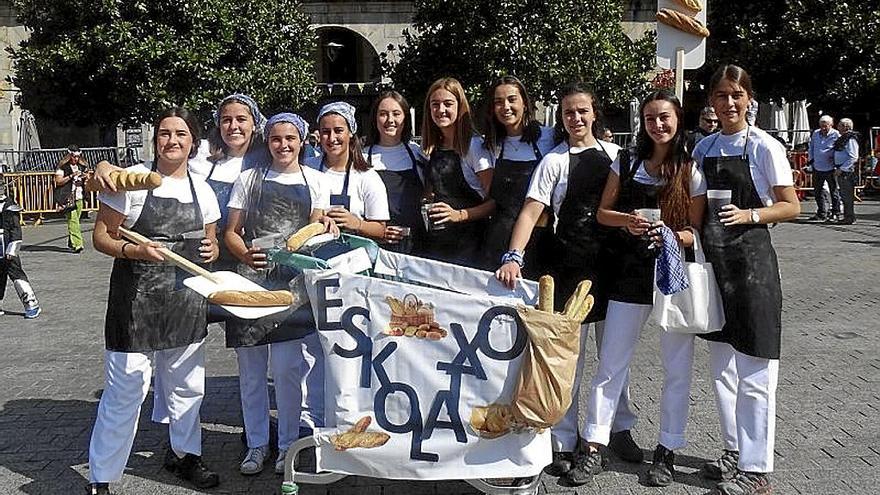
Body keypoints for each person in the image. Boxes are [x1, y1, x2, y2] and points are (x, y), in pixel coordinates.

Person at [495, 83, 641, 483]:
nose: (576, 118)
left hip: (612, 268)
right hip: (568, 268)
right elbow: (531, 212)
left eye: (582, 111)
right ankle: (562, 438)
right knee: (566, 360)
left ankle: (618, 428)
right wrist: (513, 256)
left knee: (614, 359)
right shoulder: (554, 161)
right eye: (568, 113)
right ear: (561, 119)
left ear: (594, 113)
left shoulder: (617, 156)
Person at [571, 91, 706, 488]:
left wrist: (672, 235)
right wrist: (627, 221)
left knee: (676, 368)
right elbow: (603, 213)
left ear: (677, 119)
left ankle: (667, 450)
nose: (657, 125)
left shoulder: (690, 168)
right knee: (611, 363)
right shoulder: (627, 161)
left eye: (664, 117)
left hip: (672, 275)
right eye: (650, 119)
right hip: (628, 273)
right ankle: (594, 445)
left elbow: (695, 230)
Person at [87, 107, 221, 495]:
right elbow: (102, 237)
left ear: (193, 142)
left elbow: (210, 240)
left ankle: (185, 455)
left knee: (187, 387)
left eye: (181, 134)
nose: (172, 140)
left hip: (186, 301)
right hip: (136, 303)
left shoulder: (203, 190)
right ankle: (102, 476)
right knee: (125, 391)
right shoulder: (130, 181)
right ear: (155, 139)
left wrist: (212, 250)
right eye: (164, 133)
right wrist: (135, 252)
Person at [693, 64, 800, 495]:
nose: (729, 103)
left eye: (737, 95)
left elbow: (791, 205)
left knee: (756, 370)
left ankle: (756, 471)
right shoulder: (703, 147)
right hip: (715, 270)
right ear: (712, 101)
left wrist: (750, 214)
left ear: (749, 99)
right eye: (722, 95)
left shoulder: (765, 146)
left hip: (753, 269)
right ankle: (734, 450)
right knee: (722, 370)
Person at [225, 112, 336, 476]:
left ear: (302, 141)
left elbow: (315, 232)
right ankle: (257, 444)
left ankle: (287, 445)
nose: (283, 145)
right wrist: (245, 254)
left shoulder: (316, 181)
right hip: (250, 282)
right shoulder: (248, 179)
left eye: (290, 139)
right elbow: (231, 232)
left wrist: (326, 227)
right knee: (251, 373)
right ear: (267, 141)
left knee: (289, 371)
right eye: (276, 139)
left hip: (293, 289)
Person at [480, 76, 556, 276]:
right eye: (498, 102)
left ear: (525, 103)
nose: (505, 107)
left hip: (539, 241)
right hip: (497, 241)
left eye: (512, 99)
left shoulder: (549, 138)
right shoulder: (490, 145)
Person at [419, 77, 495, 267]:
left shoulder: (474, 147)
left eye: (448, 104)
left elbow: (495, 202)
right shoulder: (433, 148)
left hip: (472, 245)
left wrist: (459, 214)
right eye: (435, 104)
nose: (441, 110)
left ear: (460, 107)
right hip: (440, 244)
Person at [306, 101, 390, 242]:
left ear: (350, 133)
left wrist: (357, 223)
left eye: (338, 131)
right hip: (311, 252)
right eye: (326, 132)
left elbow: (381, 230)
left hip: (353, 253)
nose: (332, 138)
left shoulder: (367, 176)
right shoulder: (307, 168)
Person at [364, 90, 428, 254]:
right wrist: (378, 232)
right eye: (383, 114)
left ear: (405, 118)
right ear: (375, 119)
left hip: (416, 245)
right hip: (377, 248)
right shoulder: (362, 157)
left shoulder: (417, 153)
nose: (390, 120)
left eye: (396, 114)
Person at [0, 172, 40, 318]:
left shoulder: (10, 206)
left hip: (7, 244)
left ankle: (31, 304)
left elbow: (16, 230)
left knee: (16, 274)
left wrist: (12, 249)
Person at [54, 145, 90, 253]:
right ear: (69, 156)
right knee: (73, 220)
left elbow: (88, 179)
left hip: (79, 195)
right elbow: (58, 181)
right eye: (74, 156)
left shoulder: (82, 166)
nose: (76, 159)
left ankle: (71, 241)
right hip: (68, 196)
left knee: (76, 220)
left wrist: (85, 178)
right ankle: (78, 244)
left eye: (78, 157)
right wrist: (71, 176)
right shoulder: (62, 167)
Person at [807, 115, 840, 221]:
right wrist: (810, 161)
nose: (823, 128)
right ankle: (821, 212)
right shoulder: (816, 133)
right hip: (817, 166)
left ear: (831, 125)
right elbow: (811, 147)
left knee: (834, 191)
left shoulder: (836, 134)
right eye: (822, 126)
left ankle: (835, 212)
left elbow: (839, 149)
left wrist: (837, 163)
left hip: (831, 167)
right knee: (817, 191)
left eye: (826, 126)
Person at [833, 118, 858, 225]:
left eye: (840, 125)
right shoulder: (843, 138)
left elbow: (853, 157)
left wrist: (842, 168)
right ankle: (848, 216)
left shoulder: (850, 139)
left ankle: (849, 217)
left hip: (846, 171)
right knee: (843, 194)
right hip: (841, 169)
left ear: (845, 127)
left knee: (847, 195)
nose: (837, 127)